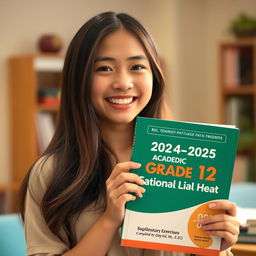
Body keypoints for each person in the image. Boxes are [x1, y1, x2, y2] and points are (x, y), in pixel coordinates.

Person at [19, 11, 239, 256]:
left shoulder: (191, 160)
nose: (123, 82)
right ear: (79, 78)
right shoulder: (50, 173)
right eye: (104, 68)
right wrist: (109, 219)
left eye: (137, 66)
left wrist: (218, 246)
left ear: (154, 75)